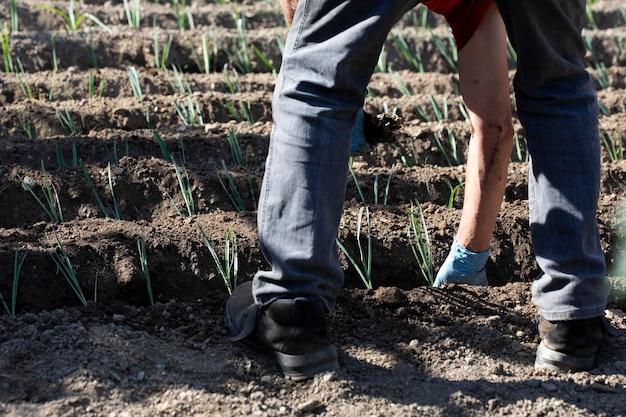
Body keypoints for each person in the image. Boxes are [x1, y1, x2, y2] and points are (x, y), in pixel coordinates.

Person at [225, 0, 611, 379]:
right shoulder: (476, 6)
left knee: (317, 82)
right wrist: (470, 252)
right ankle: (572, 316)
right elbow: (494, 126)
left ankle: (294, 307)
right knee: (556, 85)